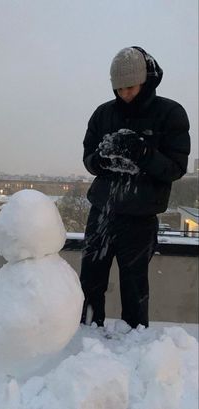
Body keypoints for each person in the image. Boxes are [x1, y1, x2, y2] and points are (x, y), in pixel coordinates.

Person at [80, 46, 190, 329]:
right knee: (90, 282)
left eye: (130, 86)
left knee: (134, 288)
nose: (124, 94)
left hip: (140, 218)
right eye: (118, 88)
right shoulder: (103, 114)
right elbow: (88, 159)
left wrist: (143, 152)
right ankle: (88, 335)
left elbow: (175, 169)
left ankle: (134, 341)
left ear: (146, 80)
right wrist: (102, 159)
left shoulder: (170, 113)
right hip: (102, 212)